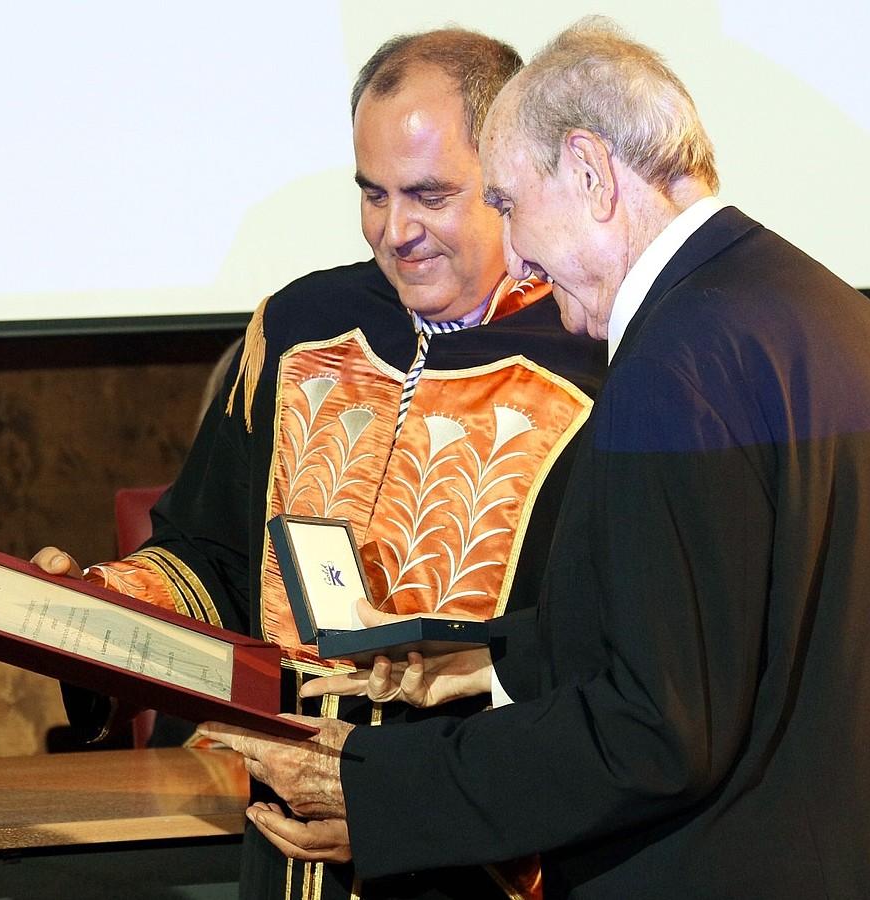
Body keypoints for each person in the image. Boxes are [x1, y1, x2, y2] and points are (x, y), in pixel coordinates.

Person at [198, 17, 870, 898]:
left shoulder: (673, 361)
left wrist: (380, 789)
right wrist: (490, 661)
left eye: (508, 203)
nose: (518, 254)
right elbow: (730, 623)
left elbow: (656, 728)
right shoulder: (823, 307)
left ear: (590, 173)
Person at [33, 27, 607, 900]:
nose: (395, 231)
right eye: (373, 194)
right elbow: (212, 560)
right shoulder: (302, 327)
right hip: (282, 842)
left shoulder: (592, 366)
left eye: (428, 195)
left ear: (510, 177)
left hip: (476, 848)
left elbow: (602, 658)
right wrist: (95, 611)